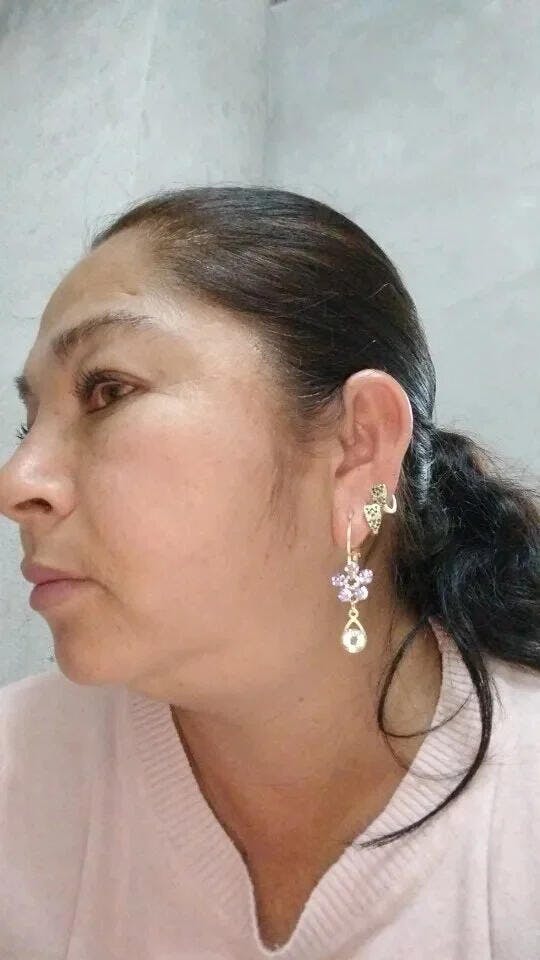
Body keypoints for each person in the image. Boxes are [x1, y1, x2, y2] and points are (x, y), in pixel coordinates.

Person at [0, 186, 538, 960]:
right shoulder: (20, 778)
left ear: (357, 448)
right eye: (29, 423)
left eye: (107, 391)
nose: (17, 483)